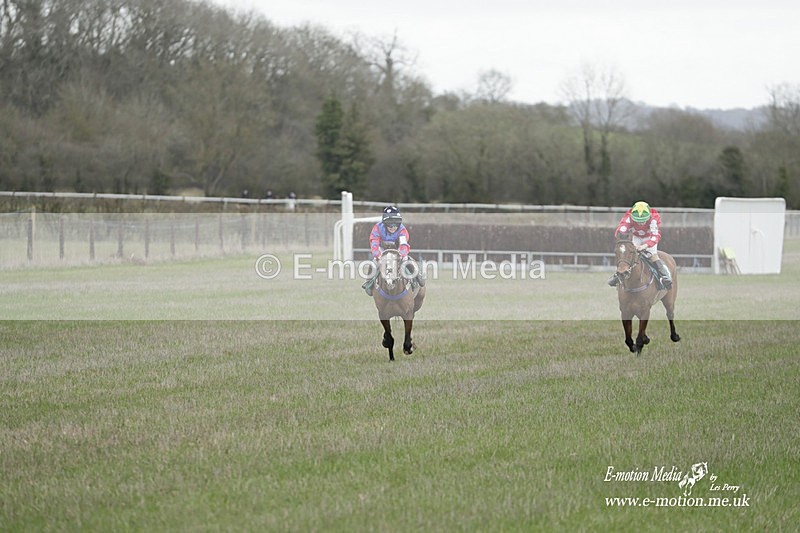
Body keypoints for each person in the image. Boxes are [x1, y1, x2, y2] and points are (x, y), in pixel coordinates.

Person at [608, 201, 673, 289]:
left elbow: (655, 237)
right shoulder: (629, 217)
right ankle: (618, 275)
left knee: (652, 255)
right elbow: (621, 230)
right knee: (628, 254)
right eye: (637, 221)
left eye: (643, 221)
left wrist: (644, 246)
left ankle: (664, 277)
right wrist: (624, 240)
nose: (640, 223)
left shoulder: (653, 218)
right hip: (636, 237)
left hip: (649, 237)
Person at [362, 205, 425, 295]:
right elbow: (374, 243)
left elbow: (403, 244)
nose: (393, 227)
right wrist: (377, 255)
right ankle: (369, 282)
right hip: (383, 249)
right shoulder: (377, 228)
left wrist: (401, 254)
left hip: (397, 249)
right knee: (374, 262)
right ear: (384, 223)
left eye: (396, 224)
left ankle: (416, 277)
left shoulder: (402, 229)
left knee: (406, 260)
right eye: (390, 225)